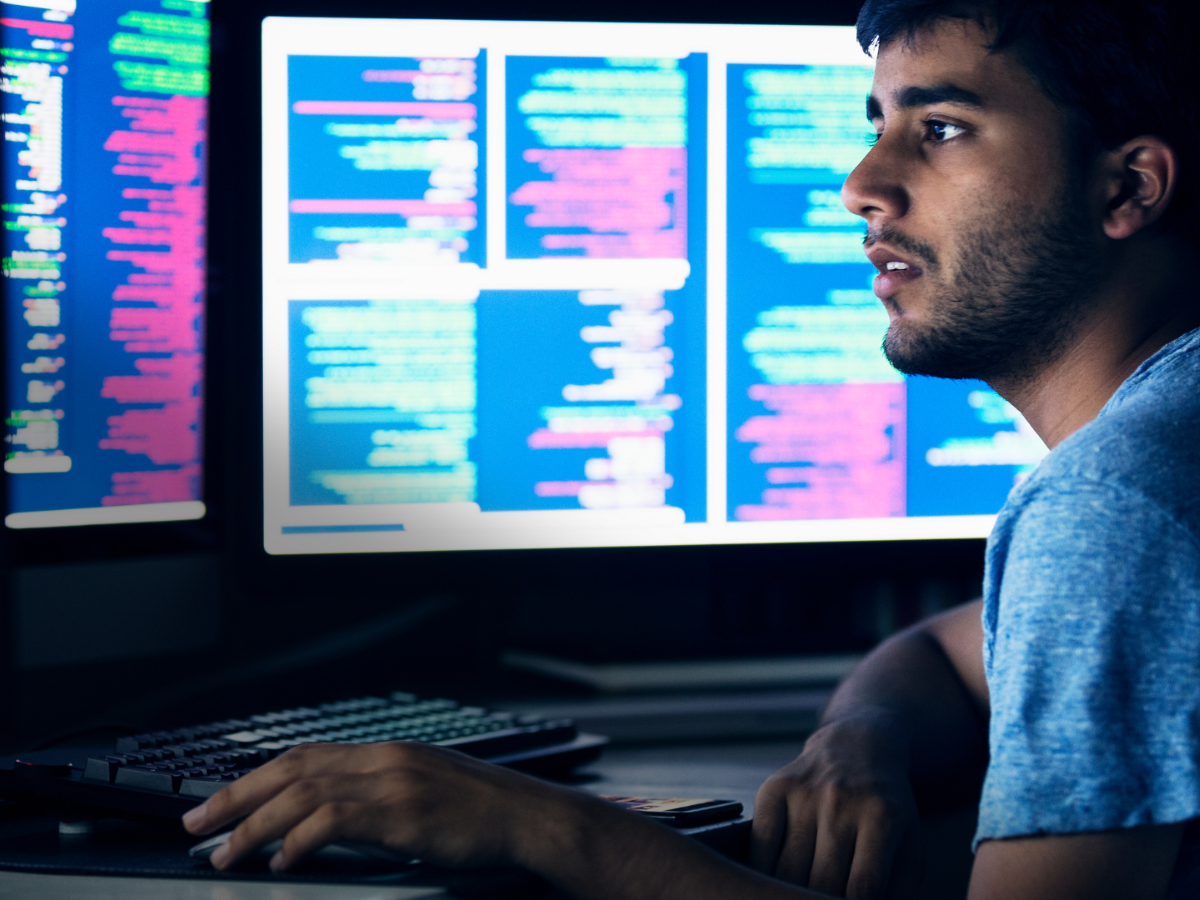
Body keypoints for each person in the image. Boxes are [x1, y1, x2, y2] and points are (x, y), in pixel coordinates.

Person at [183, 1, 1200, 897]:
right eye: (876, 125)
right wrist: (858, 739)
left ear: (1128, 188)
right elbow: (943, 649)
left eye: (940, 128)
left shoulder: (1110, 504)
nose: (862, 184)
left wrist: (539, 826)